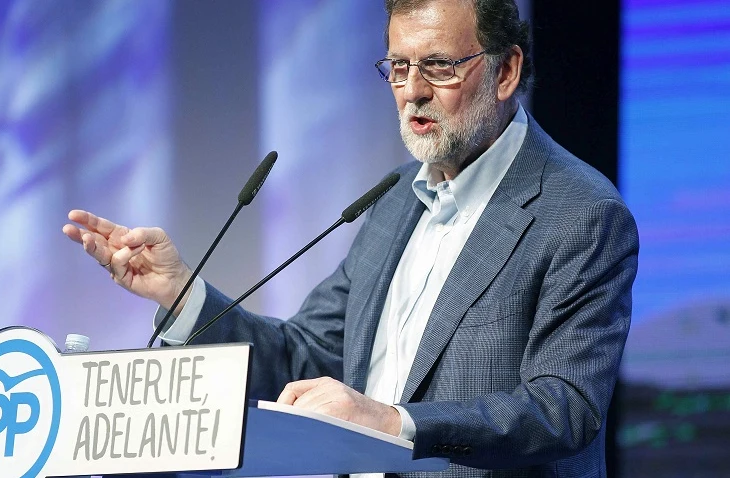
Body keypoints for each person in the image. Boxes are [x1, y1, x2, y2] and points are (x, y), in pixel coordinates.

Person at [63, 0, 639, 476]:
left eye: (438, 66)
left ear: (506, 71)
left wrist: (392, 423)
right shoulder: (394, 203)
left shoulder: (581, 213)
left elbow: (563, 410)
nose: (412, 91)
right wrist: (183, 295)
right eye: (397, 66)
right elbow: (302, 357)